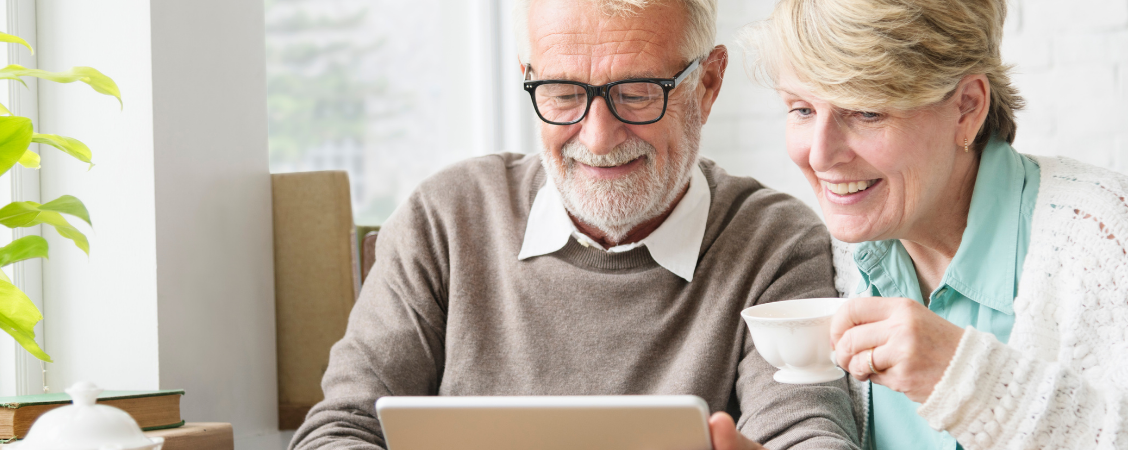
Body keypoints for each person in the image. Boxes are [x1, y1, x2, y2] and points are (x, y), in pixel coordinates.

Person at [289, 0, 862, 449]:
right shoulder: (443, 220)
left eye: (637, 94)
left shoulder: (775, 243)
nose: (596, 137)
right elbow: (340, 429)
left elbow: (804, 433)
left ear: (707, 85)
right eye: (563, 93)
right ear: (528, 76)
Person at [742, 0, 1128, 448]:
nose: (820, 155)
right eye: (802, 109)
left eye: (867, 111)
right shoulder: (834, 258)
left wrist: (970, 382)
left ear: (967, 107)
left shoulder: (1105, 239)